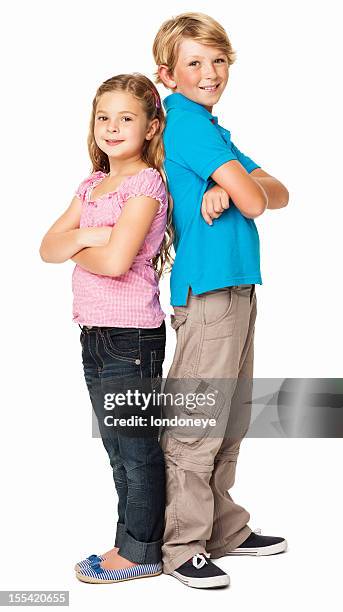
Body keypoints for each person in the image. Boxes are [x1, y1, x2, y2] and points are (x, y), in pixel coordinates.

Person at [152, 12, 289, 588]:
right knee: (196, 421)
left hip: (235, 286)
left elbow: (279, 192)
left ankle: (222, 528)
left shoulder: (213, 129)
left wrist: (226, 189)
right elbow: (259, 202)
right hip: (207, 291)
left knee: (230, 416)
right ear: (167, 73)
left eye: (218, 60)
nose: (210, 72)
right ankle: (182, 546)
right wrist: (238, 190)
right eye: (194, 63)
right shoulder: (186, 125)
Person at [39, 73, 172, 583]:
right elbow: (47, 248)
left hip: (131, 335)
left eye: (126, 118)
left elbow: (118, 262)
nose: (112, 127)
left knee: (136, 448)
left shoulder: (145, 184)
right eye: (103, 117)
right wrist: (93, 232)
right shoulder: (93, 186)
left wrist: (78, 243)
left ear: (150, 126)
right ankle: (128, 541)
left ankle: (141, 551)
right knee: (116, 446)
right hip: (94, 333)